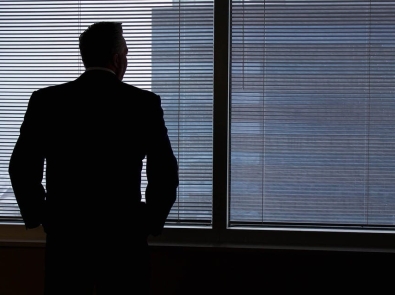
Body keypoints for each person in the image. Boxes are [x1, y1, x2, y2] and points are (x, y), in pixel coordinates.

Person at [8, 21, 179, 295]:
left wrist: (42, 216)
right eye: (126, 53)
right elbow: (165, 172)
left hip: (66, 239)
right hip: (124, 240)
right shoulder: (142, 104)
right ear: (116, 59)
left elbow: (20, 168)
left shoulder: (46, 101)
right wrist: (148, 222)